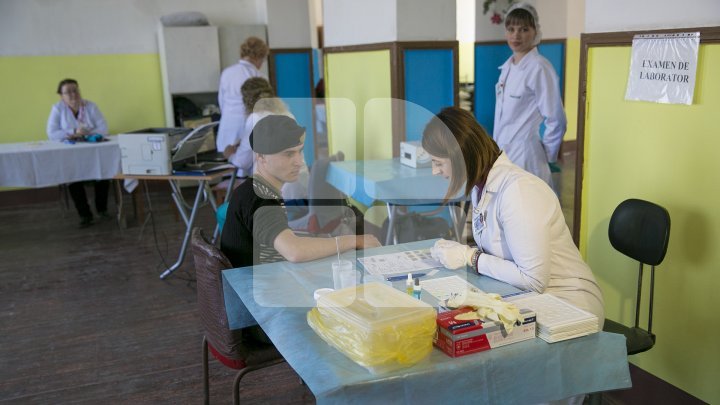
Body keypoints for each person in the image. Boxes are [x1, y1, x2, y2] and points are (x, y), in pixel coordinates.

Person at [423, 107, 604, 327]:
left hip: (569, 303)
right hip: (527, 295)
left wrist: (470, 257)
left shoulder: (519, 192)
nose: (434, 171)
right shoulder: (480, 186)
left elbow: (534, 280)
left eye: (438, 163)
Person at [220, 114, 381, 268]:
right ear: (261, 157)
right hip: (252, 290)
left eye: (300, 151)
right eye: (289, 154)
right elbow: (294, 251)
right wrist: (354, 241)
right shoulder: (259, 198)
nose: (299, 161)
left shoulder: (255, 189)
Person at [493, 2, 566, 190]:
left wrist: (548, 156)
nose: (516, 35)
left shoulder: (539, 68)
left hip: (527, 157)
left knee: (527, 212)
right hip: (502, 153)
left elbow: (556, 119)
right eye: (511, 29)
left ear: (536, 32)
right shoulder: (507, 68)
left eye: (524, 29)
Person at [46, 78, 110, 228]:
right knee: (73, 178)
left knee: (104, 173)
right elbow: (52, 133)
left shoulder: (90, 106)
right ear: (61, 96)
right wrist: (73, 132)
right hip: (70, 154)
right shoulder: (57, 109)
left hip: (92, 152)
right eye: (68, 92)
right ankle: (85, 215)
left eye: (75, 90)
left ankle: (102, 209)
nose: (73, 94)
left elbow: (103, 128)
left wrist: (85, 134)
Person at [216, 36, 268, 159]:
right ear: (259, 56)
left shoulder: (227, 73)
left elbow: (221, 102)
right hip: (247, 129)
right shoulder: (258, 77)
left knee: (226, 172)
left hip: (226, 129)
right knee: (244, 171)